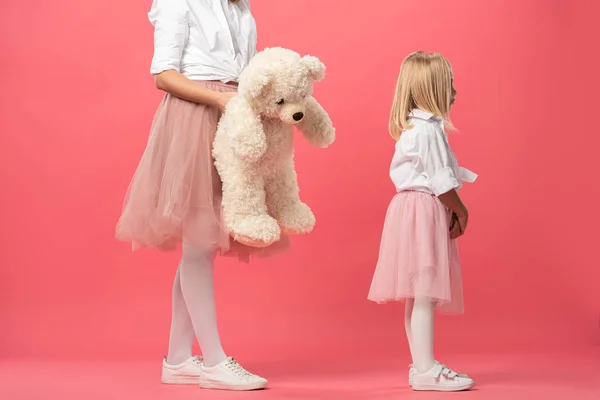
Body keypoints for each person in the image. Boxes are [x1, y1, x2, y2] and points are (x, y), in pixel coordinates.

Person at [115, 0, 281, 391]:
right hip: (194, 118)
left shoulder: (241, 8)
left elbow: (248, 67)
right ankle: (214, 361)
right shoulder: (178, 2)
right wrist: (221, 99)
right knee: (200, 239)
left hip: (233, 118)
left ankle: (176, 359)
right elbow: (164, 76)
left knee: (199, 244)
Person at [368, 51, 478, 391]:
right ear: (432, 89)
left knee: (418, 294)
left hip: (410, 209)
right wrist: (461, 209)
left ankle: (421, 366)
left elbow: (438, 172)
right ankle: (426, 369)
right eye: (449, 85)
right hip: (423, 210)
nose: (455, 92)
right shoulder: (427, 131)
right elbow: (440, 181)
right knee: (425, 292)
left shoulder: (419, 128)